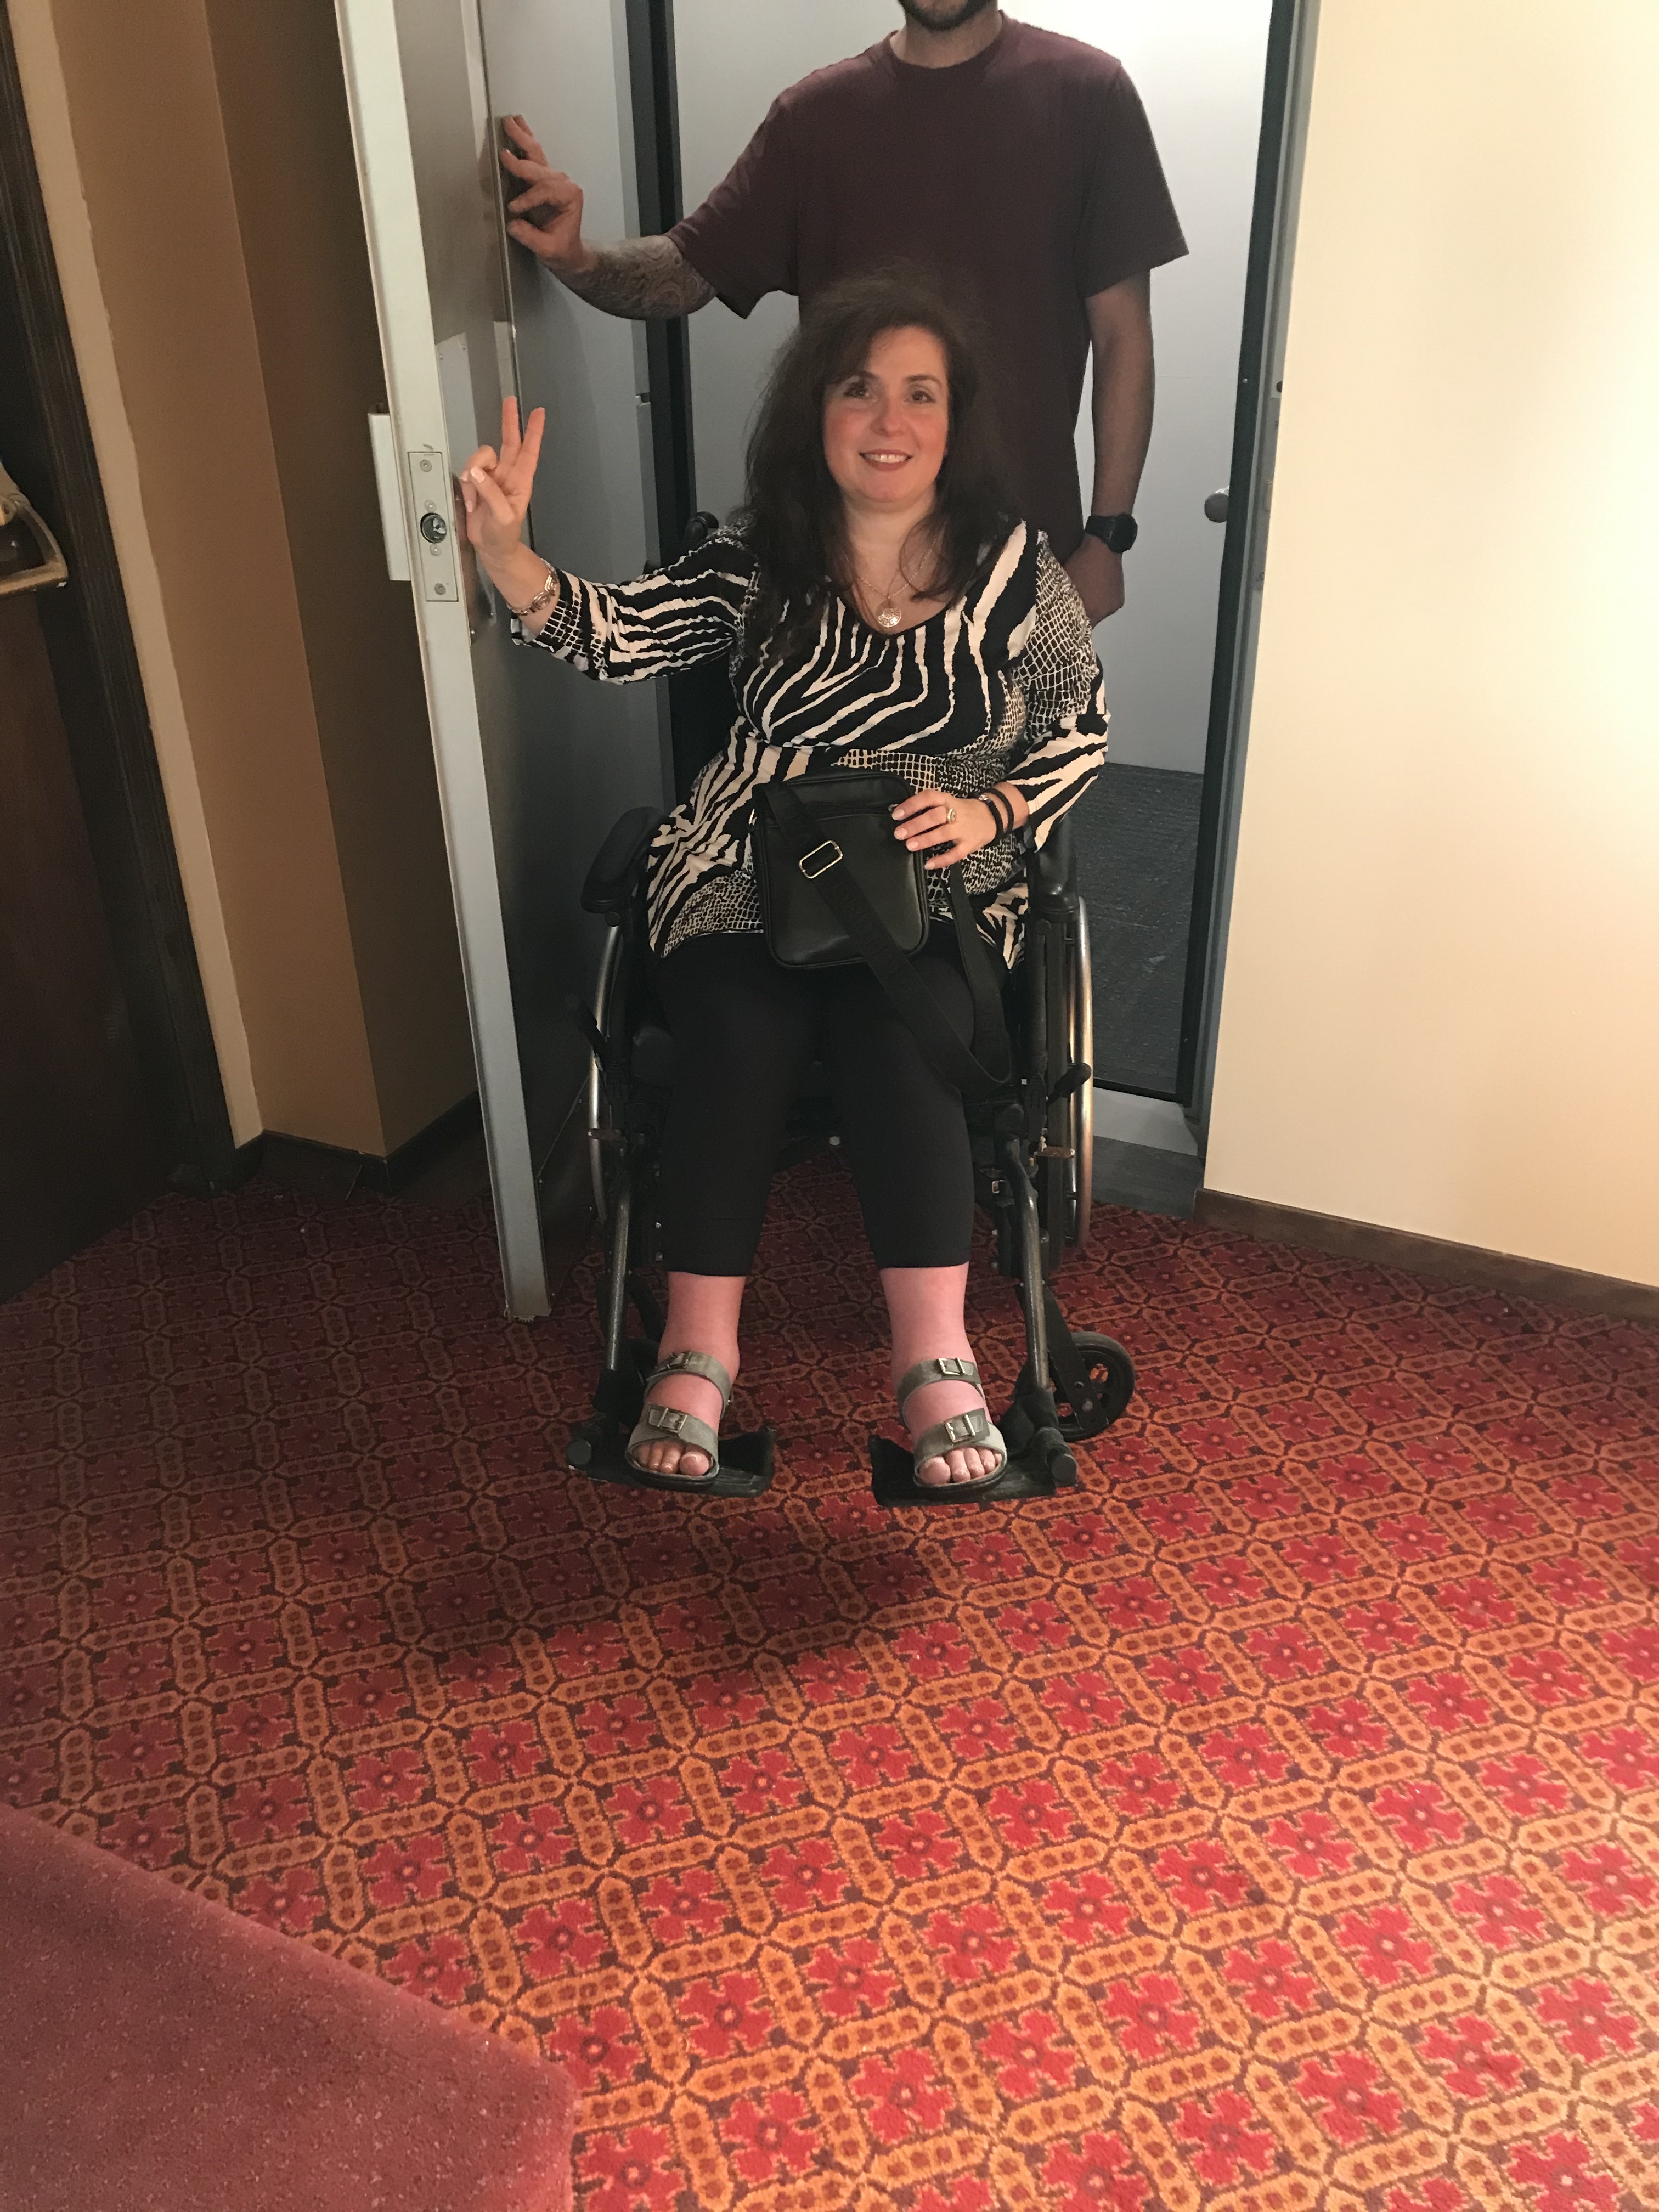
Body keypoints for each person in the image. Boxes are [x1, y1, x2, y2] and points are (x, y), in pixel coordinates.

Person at [459, 274, 1107, 1491]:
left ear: (955, 422)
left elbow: (1082, 726)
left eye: (921, 394)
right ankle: (699, 1355)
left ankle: (936, 1365)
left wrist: (991, 809)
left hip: (936, 875)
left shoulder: (1017, 570)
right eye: (859, 389)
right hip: (747, 860)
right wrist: (506, 556)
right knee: (737, 1027)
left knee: (895, 1028)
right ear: (816, 410)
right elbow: (616, 635)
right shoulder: (757, 554)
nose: (889, 419)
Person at [499, 2, 1186, 623]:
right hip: (841, 564)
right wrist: (577, 257)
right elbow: (688, 269)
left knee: (1027, 761)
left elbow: (1124, 338)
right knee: (838, 760)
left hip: (1022, 556)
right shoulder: (815, 118)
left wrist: (1107, 536)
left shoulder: (1089, 97)